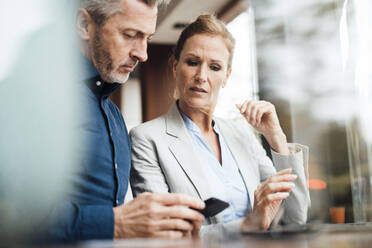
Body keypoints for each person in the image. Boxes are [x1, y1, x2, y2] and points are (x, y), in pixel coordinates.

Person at [130, 14, 310, 235]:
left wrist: (276, 138)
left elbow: (296, 217)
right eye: (192, 62)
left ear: (226, 76)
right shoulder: (146, 138)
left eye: (214, 67)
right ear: (176, 66)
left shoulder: (241, 134)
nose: (201, 76)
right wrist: (248, 225)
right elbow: (164, 235)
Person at [46, 0, 206, 242]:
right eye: (131, 35)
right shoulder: (38, 100)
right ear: (84, 26)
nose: (142, 54)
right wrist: (115, 223)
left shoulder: (115, 117)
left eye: (147, 39)